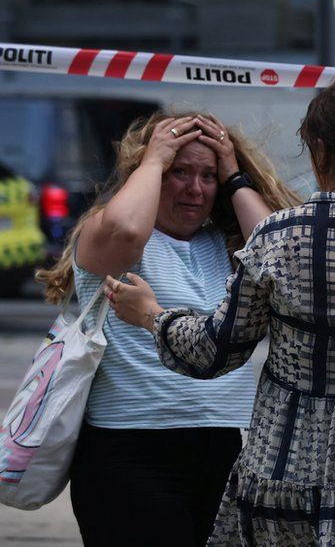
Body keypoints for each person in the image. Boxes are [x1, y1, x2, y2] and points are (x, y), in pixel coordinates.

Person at [109, 78, 335, 546]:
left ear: (319, 150)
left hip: (280, 466)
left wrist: (152, 314)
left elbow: (213, 351)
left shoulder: (278, 235)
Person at [34, 111, 298, 545]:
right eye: (180, 172)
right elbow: (124, 229)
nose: (195, 189)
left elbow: (281, 258)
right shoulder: (112, 233)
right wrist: (153, 159)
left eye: (208, 176)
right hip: (129, 456)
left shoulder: (225, 245)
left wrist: (233, 174)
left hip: (223, 452)